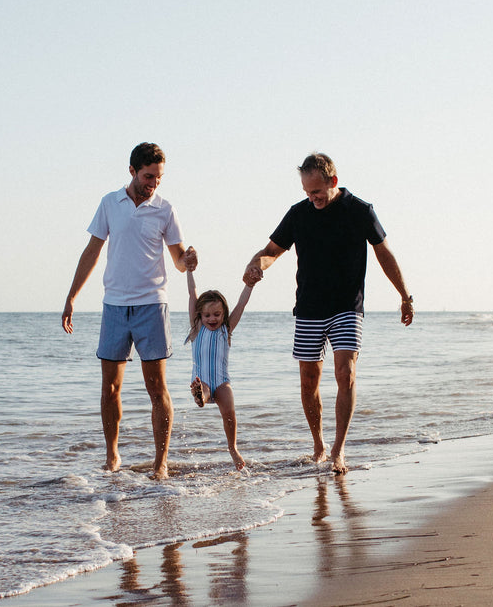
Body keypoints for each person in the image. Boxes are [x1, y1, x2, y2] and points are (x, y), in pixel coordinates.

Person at [243, 153, 413, 475]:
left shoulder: (359, 210)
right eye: (308, 192)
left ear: (333, 182)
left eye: (317, 191)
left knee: (345, 372)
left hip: (348, 306)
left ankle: (339, 450)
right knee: (309, 381)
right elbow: (271, 252)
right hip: (309, 307)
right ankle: (319, 445)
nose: (313, 198)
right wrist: (256, 266)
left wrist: (404, 296)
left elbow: (384, 253)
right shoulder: (299, 214)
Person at [61, 142, 194, 480]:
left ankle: (160, 463)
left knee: (157, 388)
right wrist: (72, 296)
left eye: (159, 178)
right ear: (132, 170)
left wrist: (187, 261)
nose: (154, 183)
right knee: (110, 388)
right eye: (149, 176)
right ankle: (112, 456)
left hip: (152, 304)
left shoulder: (165, 209)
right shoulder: (110, 203)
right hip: (115, 307)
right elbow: (92, 251)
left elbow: (178, 259)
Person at [183, 246, 253, 470]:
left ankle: (233, 448)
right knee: (202, 390)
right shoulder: (196, 329)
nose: (212, 318)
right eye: (207, 315)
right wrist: (189, 270)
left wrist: (249, 285)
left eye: (217, 314)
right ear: (199, 315)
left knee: (229, 411)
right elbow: (193, 295)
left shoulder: (226, 329)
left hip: (222, 382)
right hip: (202, 379)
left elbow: (241, 305)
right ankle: (199, 396)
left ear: (223, 314)